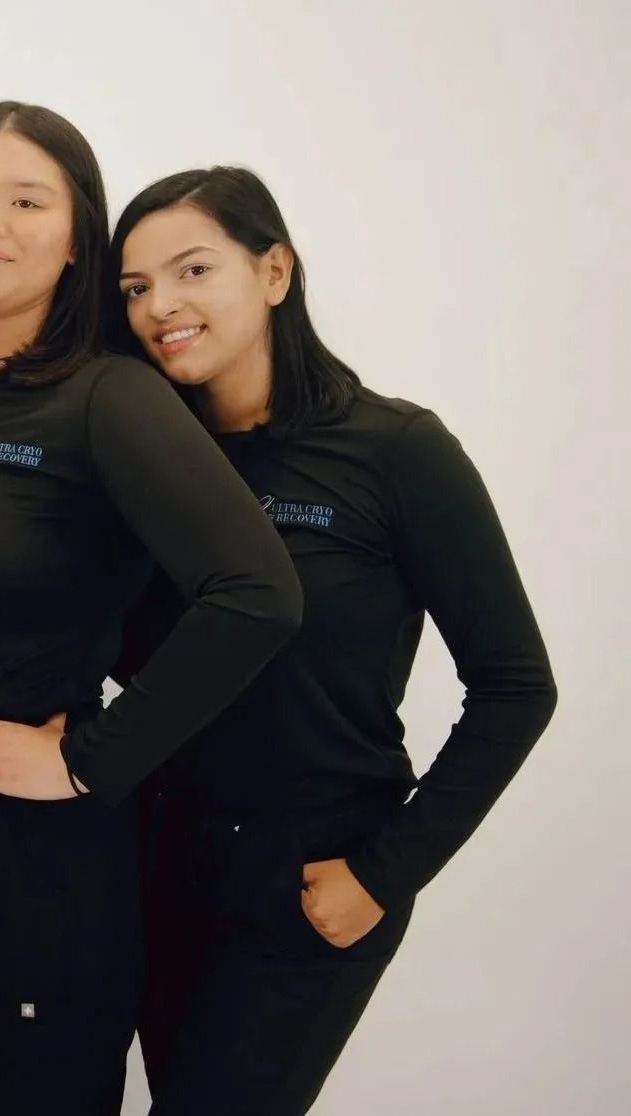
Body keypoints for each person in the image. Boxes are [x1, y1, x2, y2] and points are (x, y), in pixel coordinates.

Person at [0, 102, 303, 1114]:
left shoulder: (107, 397)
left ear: (73, 243)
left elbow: (258, 594)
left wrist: (88, 755)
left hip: (34, 875)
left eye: (24, 201)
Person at [112, 165, 557, 1115]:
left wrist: (383, 877)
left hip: (312, 878)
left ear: (275, 271)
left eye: (193, 271)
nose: (162, 307)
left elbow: (517, 686)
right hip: (150, 861)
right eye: (137, 289)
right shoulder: (141, 453)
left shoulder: (394, 450)